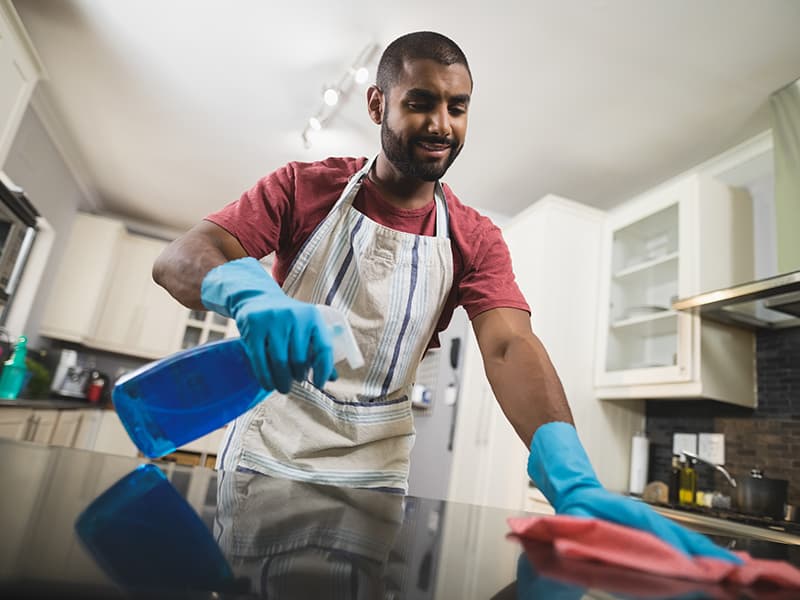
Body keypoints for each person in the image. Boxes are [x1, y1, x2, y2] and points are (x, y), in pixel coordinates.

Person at [153, 31, 738, 563]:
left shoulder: (473, 236)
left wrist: (571, 478)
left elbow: (509, 345)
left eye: (457, 107)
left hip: (374, 480)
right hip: (267, 460)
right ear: (378, 104)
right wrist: (250, 293)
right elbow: (180, 257)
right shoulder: (305, 188)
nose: (442, 124)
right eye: (421, 102)